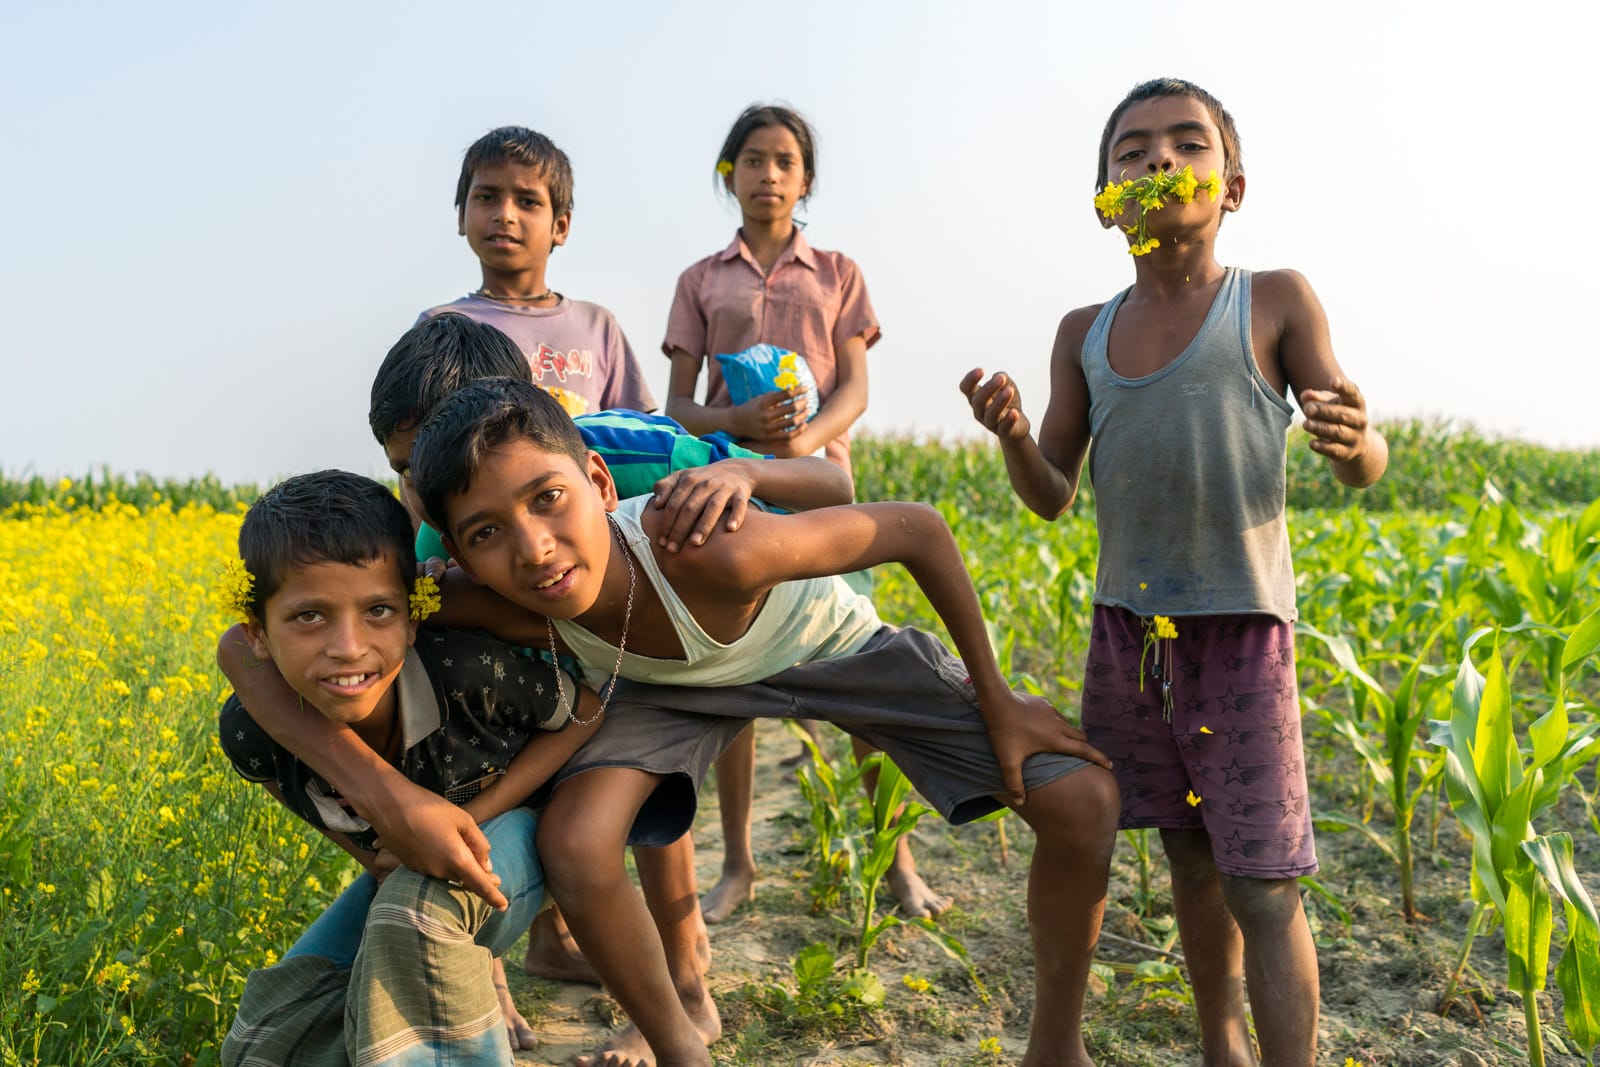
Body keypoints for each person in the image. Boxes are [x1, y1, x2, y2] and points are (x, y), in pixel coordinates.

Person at [391, 376, 1117, 1067]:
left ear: (600, 481)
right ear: (457, 556)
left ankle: (1056, 1045)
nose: (534, 546)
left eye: (548, 497)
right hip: (666, 688)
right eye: (486, 533)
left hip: (823, 647)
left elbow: (918, 530)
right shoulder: (493, 597)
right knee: (575, 842)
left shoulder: (709, 551)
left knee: (1083, 799)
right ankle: (681, 1047)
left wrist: (997, 698)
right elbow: (346, 610)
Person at [960, 77, 1389, 1067]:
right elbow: (1052, 492)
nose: (1159, 162)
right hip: (1129, 635)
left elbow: (1359, 465)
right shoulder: (1084, 331)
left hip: (1239, 631)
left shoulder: (1273, 298)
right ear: (1104, 198)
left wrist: (1355, 439)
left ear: (1230, 186)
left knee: (1263, 882)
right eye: (1132, 151)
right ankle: (1218, 1043)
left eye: (1186, 145)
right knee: (1189, 860)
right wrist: (1017, 436)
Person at [216, 469, 605, 1065]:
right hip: (411, 873)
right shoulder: (256, 731)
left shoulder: (467, 674)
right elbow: (295, 793)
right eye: (308, 617)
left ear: (414, 615)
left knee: (413, 924)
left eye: (377, 610)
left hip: (531, 834)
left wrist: (463, 820)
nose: (348, 646)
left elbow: (585, 711)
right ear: (258, 634)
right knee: (266, 1034)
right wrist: (375, 859)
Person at [660, 103, 934, 925]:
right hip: (724, 487)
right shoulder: (701, 281)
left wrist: (806, 442)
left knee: (857, 665)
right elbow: (677, 406)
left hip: (821, 487)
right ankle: (738, 864)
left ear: (804, 179)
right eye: (750, 159)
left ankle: (898, 862)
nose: (767, 174)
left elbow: (854, 384)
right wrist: (739, 431)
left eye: (783, 161)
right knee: (735, 676)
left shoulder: (838, 271)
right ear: (728, 175)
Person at [418, 125, 656, 417]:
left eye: (527, 201)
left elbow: (638, 432)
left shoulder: (597, 326)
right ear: (461, 217)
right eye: (487, 197)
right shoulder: (440, 327)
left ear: (560, 226)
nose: (505, 214)